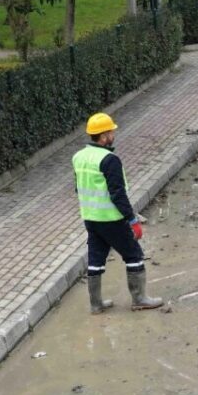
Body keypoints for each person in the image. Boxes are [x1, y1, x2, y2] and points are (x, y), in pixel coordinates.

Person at [72, 112, 163, 313]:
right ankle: (139, 299)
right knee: (134, 254)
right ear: (103, 136)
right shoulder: (109, 160)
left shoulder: (78, 157)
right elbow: (117, 194)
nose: (113, 134)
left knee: (96, 258)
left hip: (90, 218)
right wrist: (132, 219)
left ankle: (96, 304)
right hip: (111, 219)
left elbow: (78, 188)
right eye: (111, 132)